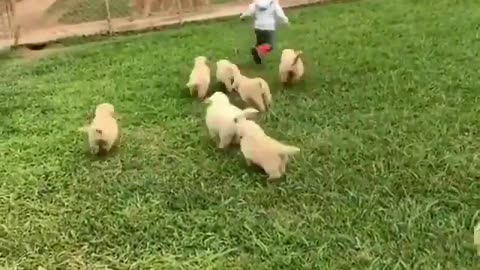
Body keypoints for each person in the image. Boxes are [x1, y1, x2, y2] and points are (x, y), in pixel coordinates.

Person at [240, 0, 289, 64]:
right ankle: (257, 51)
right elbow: (278, 10)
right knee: (270, 45)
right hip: (269, 27)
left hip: (258, 26)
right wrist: (285, 19)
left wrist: (243, 16)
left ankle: (258, 59)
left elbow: (250, 10)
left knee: (260, 43)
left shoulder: (257, 1)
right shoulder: (273, 2)